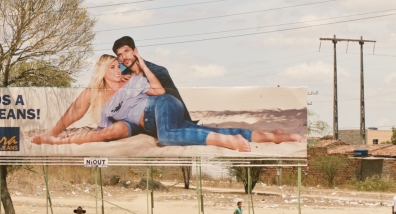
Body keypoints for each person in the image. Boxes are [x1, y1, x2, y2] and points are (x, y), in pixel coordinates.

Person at [32, 54, 301, 152]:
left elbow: (159, 83)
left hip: (162, 107)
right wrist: (53, 135)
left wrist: (137, 62)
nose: (117, 70)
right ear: (101, 70)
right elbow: (74, 114)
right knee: (201, 130)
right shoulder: (97, 94)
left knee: (170, 137)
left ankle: (224, 142)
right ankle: (271, 136)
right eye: (111, 66)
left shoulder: (130, 80)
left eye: (119, 65)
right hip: (151, 121)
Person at [113, 36, 192, 122]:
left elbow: (173, 100)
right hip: (137, 123)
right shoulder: (123, 76)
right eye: (119, 55)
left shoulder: (158, 71)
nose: (124, 57)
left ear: (135, 51)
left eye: (126, 51)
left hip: (163, 121)